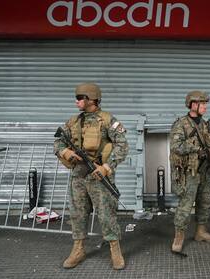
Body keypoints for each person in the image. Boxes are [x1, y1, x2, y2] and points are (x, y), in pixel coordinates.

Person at [54, 83, 129, 270]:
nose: (77, 101)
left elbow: (122, 146)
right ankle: (78, 249)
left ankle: (115, 249)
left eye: (80, 98)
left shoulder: (107, 120)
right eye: (77, 98)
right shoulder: (72, 122)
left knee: (106, 214)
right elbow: (57, 143)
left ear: (91, 99)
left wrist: (106, 167)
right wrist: (66, 153)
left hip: (99, 175)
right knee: (77, 213)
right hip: (78, 175)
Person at [169, 90, 210, 254]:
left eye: (205, 104)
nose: (205, 107)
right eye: (202, 104)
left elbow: (209, 144)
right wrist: (197, 149)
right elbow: (176, 146)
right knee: (185, 205)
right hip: (189, 172)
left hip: (204, 170)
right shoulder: (181, 124)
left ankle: (201, 232)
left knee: (205, 202)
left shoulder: (204, 124)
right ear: (193, 104)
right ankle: (179, 236)